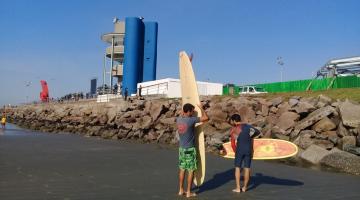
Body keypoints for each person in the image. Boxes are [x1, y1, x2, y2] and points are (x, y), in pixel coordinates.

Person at [176, 103, 209, 198]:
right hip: (190, 149)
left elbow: (182, 114)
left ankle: (181, 190)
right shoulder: (191, 120)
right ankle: (189, 192)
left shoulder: (178, 120)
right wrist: (201, 108)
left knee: (182, 169)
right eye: (192, 111)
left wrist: (183, 111)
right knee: (191, 171)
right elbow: (206, 118)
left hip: (181, 149)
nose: (193, 113)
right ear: (189, 111)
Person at [229, 114, 260, 193]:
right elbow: (257, 132)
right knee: (247, 168)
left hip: (239, 150)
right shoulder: (248, 127)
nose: (231, 122)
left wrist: (236, 152)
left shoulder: (235, 129)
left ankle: (238, 188)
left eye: (232, 121)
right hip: (249, 150)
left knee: (237, 168)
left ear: (234, 121)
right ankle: (245, 187)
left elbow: (233, 144)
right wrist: (251, 136)